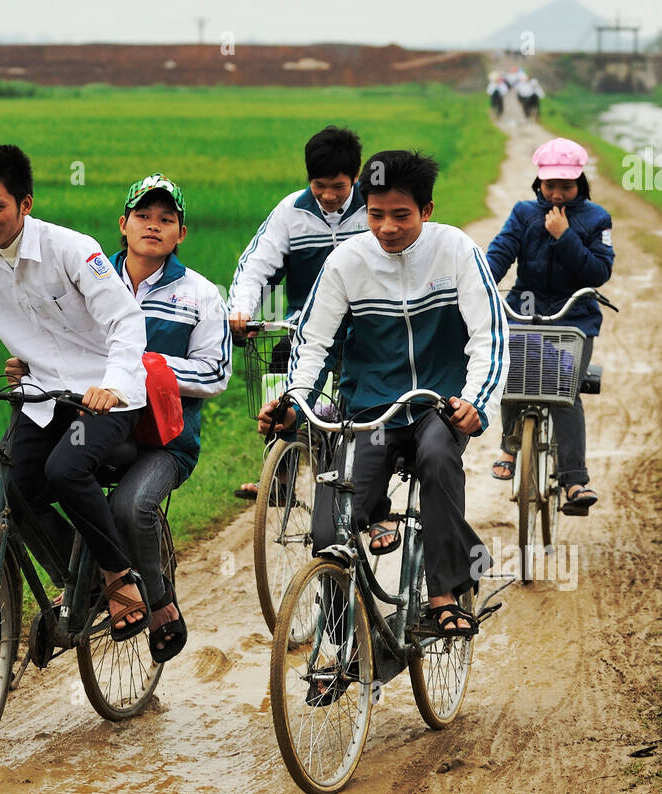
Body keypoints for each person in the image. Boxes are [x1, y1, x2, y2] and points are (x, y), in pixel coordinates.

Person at [0, 144, 151, 677]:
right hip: (40, 398)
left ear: (25, 204)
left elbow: (124, 321)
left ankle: (118, 577)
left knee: (64, 470)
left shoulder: (73, 250)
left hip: (104, 398)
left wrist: (113, 385)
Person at [261, 149, 508, 637]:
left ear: (427, 211)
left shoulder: (455, 250)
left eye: (401, 215)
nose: (387, 227)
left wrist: (476, 402)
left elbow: (489, 335)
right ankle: (340, 643)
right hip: (371, 411)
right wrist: (295, 399)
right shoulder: (346, 263)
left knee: (438, 457)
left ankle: (443, 593)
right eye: (375, 214)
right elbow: (312, 343)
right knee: (331, 528)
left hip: (439, 404)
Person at [7, 174, 231, 660]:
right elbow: (55, 341)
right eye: (143, 216)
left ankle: (157, 600)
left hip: (163, 441)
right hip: (94, 423)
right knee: (23, 491)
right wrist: (32, 362)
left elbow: (215, 373)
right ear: (123, 225)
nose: (154, 226)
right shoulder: (86, 279)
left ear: (181, 234)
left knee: (130, 507)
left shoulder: (200, 295)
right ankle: (79, 583)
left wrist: (140, 365)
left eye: (166, 219)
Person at [227, 125, 367, 498]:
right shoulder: (290, 212)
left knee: (366, 397)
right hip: (307, 325)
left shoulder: (373, 208)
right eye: (319, 185)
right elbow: (255, 264)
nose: (328, 195)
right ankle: (281, 477)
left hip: (363, 325)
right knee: (280, 370)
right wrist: (241, 310)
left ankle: (368, 481)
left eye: (339, 186)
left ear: (356, 177)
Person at [486, 138, 613, 512]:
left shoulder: (596, 218)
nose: (557, 193)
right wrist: (481, 283)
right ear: (538, 184)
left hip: (575, 316)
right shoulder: (524, 213)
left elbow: (598, 271)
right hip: (526, 309)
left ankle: (574, 481)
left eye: (566, 186)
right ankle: (510, 447)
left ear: (580, 184)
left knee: (563, 393)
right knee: (511, 375)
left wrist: (564, 235)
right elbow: (501, 252)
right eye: (550, 185)